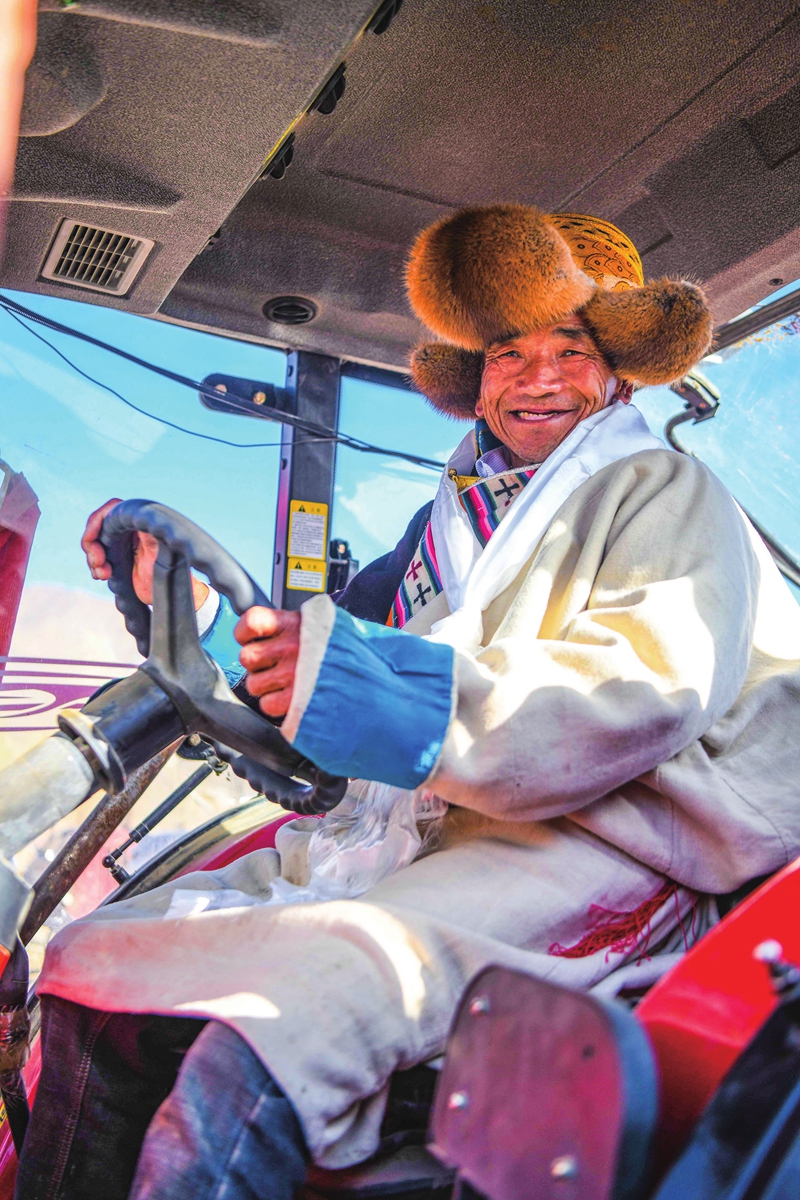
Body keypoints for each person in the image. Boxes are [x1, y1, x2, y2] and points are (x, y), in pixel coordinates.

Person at [17, 207, 800, 1200]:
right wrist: (200, 619)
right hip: (435, 832)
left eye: (573, 348)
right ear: (478, 380)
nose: (539, 375)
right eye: (509, 352)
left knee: (276, 1020)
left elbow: (638, 691)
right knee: (98, 965)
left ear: (617, 374)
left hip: (611, 842)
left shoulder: (662, 491)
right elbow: (307, 652)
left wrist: (356, 688)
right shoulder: (445, 535)